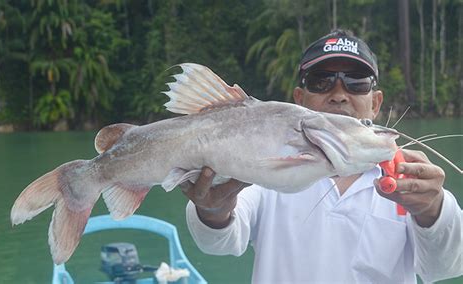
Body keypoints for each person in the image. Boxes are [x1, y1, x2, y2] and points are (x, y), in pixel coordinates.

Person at [180, 29, 463, 283]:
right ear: (299, 100)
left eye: (356, 82)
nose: (339, 95)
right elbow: (220, 243)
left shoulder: (409, 180)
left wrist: (433, 210)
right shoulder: (262, 162)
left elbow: (446, 267)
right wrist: (213, 209)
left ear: (376, 103)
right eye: (320, 81)